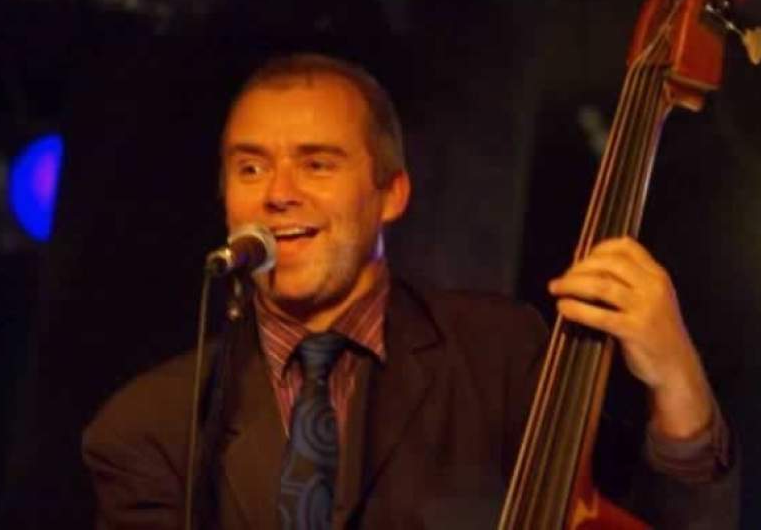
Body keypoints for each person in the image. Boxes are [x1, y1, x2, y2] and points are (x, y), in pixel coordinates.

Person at [83, 53, 737, 529]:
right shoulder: (146, 427)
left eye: (317, 163)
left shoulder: (501, 354)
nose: (278, 193)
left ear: (391, 194)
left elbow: (668, 521)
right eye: (250, 167)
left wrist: (677, 375)